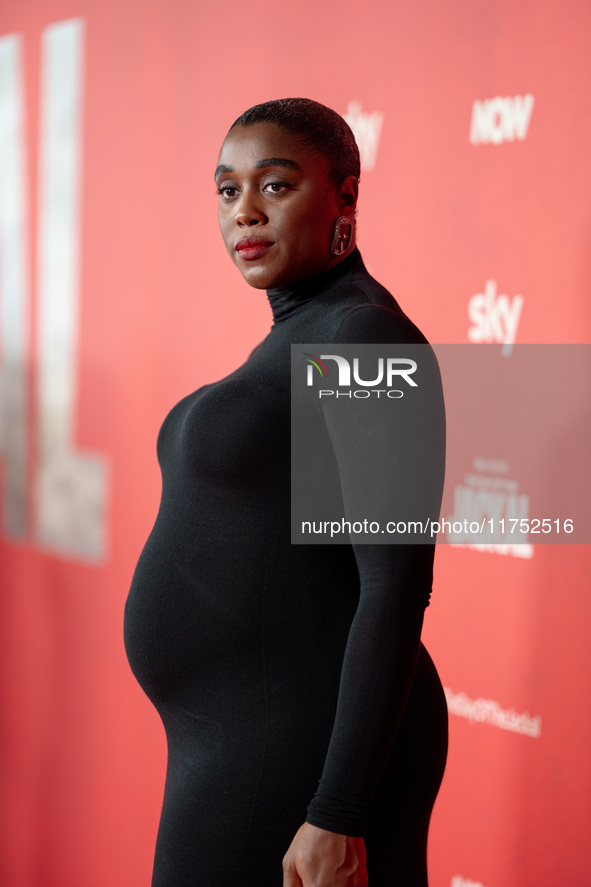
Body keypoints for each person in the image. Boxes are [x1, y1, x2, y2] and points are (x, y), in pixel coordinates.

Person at [124, 97, 448, 887]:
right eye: (228, 191)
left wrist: (338, 808)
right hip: (240, 734)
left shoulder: (363, 334)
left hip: (300, 747)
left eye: (275, 185)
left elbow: (395, 583)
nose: (246, 213)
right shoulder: (297, 332)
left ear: (344, 195)